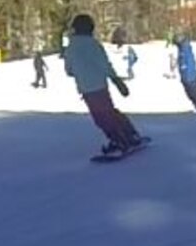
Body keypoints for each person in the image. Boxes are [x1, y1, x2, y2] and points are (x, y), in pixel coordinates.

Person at [63, 13, 146, 154]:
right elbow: (105, 65)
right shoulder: (94, 44)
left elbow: (69, 70)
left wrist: (77, 70)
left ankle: (119, 140)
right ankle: (130, 134)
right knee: (110, 112)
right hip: (100, 86)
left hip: (87, 89)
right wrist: (116, 80)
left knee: (101, 118)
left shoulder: (71, 47)